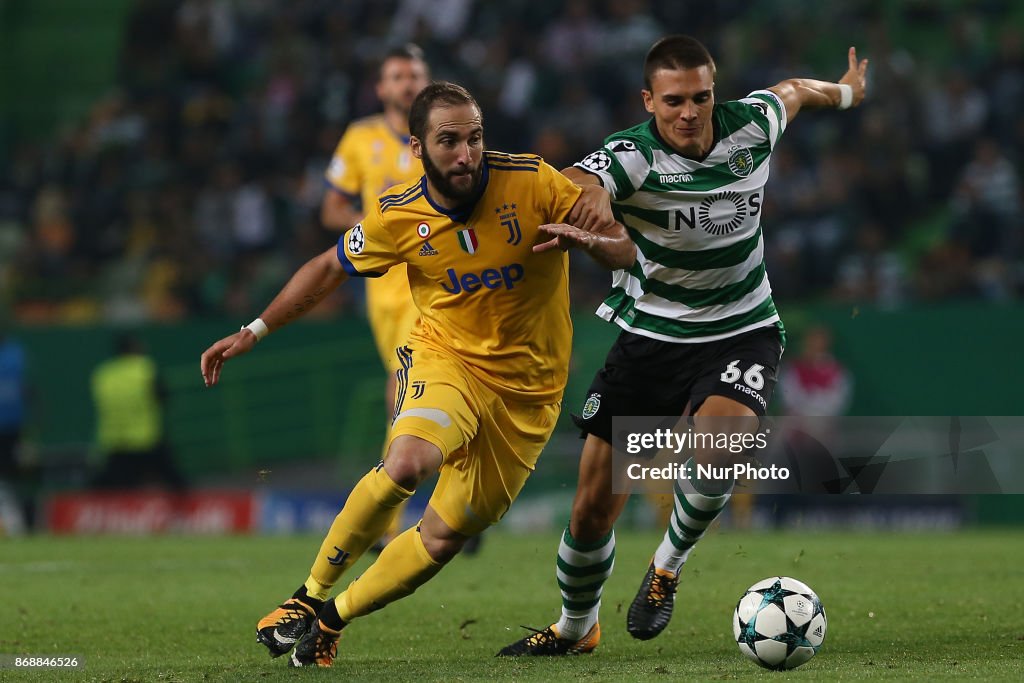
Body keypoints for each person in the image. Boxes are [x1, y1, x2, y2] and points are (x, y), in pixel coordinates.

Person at [200, 81, 633, 668]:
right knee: (406, 462)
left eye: (475, 138)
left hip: (529, 394)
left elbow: (622, 245)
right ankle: (306, 597)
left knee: (442, 536)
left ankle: (333, 618)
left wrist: (597, 239)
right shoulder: (399, 215)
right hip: (447, 360)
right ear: (419, 148)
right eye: (449, 141)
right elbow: (330, 265)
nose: (466, 154)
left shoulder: (533, 182)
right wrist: (253, 331)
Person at [499, 35, 868, 656]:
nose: (689, 112)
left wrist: (850, 91)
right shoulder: (630, 157)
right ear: (650, 100)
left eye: (700, 96)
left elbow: (798, 92)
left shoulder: (751, 125)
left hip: (741, 326)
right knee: (592, 508)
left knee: (720, 446)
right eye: (673, 101)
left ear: (714, 92)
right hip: (651, 337)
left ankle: (666, 567)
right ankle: (575, 626)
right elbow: (580, 181)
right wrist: (580, 199)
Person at [321, 44, 431, 549]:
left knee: (406, 387)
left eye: (414, 75)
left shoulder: (439, 132)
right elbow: (331, 209)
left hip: (438, 280)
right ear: (382, 88)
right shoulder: (361, 138)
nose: (406, 83)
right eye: (397, 76)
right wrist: (374, 228)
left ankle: (391, 520)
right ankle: (444, 509)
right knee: (409, 390)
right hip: (383, 288)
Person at [91, 334, 186, 490]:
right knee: (176, 484)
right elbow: (163, 397)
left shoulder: (104, 374)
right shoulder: (145, 368)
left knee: (109, 488)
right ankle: (193, 513)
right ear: (135, 348)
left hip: (115, 442)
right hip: (146, 439)